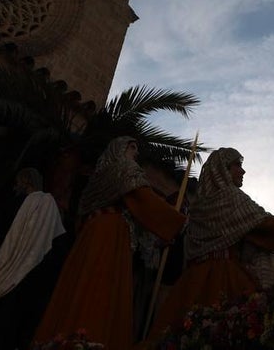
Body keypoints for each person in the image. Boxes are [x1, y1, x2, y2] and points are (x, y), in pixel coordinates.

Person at [144, 148, 274, 342]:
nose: (243, 171)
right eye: (238, 165)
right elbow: (266, 228)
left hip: (191, 282)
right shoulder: (231, 197)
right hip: (226, 277)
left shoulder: (198, 207)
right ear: (223, 169)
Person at [32, 137, 186, 350]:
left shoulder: (100, 176)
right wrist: (176, 220)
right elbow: (142, 199)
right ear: (119, 149)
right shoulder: (124, 169)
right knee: (101, 285)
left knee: (80, 284)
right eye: (132, 147)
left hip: (90, 236)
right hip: (109, 234)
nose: (135, 152)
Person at [0, 168, 67, 350]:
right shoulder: (42, 205)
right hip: (28, 277)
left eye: (19, 182)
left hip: (6, 278)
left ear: (26, 182)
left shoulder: (37, 203)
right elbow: (56, 242)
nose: (16, 186)